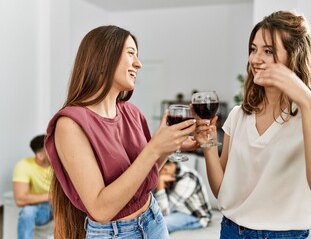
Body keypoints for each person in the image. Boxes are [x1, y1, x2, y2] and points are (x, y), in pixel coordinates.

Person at [192, 10, 311, 239]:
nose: (255, 59)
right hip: (231, 232)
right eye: (253, 50)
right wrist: (207, 146)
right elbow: (222, 192)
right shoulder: (239, 115)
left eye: (268, 51)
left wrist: (306, 101)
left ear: (294, 56)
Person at [44, 25, 198, 239]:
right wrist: (154, 148)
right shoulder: (70, 124)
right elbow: (100, 210)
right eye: (131, 54)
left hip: (153, 219)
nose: (139, 63)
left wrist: (168, 147)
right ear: (103, 58)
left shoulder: (131, 112)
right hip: (115, 233)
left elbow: (145, 175)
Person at [13, 134, 53, 239]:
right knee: (27, 212)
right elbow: (20, 199)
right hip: (41, 207)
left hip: (60, 205)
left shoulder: (62, 163)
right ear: (40, 155)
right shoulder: (23, 165)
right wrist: (52, 195)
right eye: (51, 149)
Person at [154, 160, 212, 233]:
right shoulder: (171, 174)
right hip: (175, 210)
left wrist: (160, 184)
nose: (156, 176)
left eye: (157, 172)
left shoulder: (188, 178)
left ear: (165, 168)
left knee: (157, 224)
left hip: (195, 216)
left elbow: (164, 212)